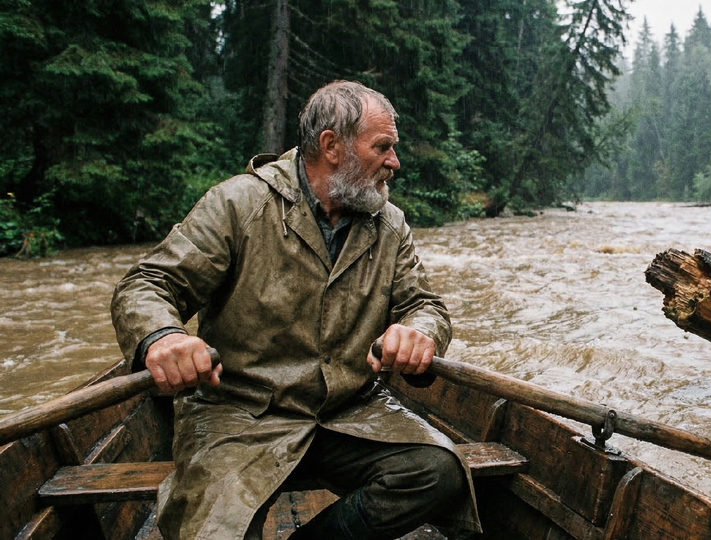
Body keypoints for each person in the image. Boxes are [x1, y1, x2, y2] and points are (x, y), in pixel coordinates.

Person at [111, 80, 480, 540]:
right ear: (331, 146)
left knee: (439, 471)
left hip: (348, 413)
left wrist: (419, 331)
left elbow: (424, 305)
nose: (394, 162)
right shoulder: (238, 204)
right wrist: (163, 336)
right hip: (240, 415)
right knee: (216, 530)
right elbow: (147, 284)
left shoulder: (390, 224)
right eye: (382, 147)